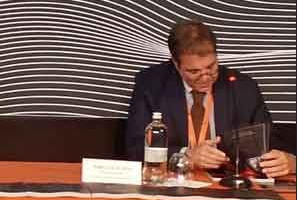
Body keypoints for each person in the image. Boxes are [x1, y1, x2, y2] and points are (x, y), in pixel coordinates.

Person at [125, 19, 295, 178]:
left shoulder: (243, 87)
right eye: (194, 71)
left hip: (229, 183)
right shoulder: (151, 85)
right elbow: (136, 148)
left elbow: (271, 143)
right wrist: (186, 155)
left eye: (211, 67)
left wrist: (289, 161)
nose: (206, 77)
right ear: (176, 64)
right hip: (174, 181)